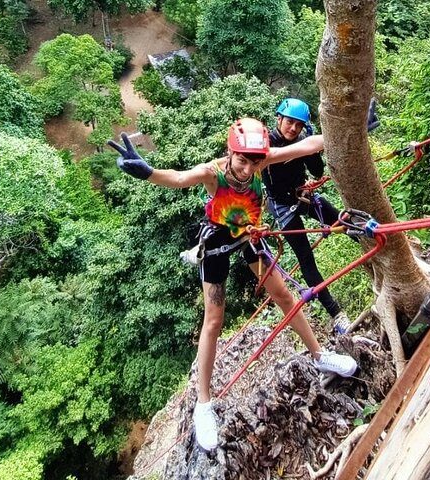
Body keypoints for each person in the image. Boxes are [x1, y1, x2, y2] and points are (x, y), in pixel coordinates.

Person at [108, 118, 358, 452]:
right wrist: (148, 172)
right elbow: (180, 178)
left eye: (254, 161)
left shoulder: (259, 162)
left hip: (248, 239)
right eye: (242, 160)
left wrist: (351, 127)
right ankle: (203, 404)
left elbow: (308, 145)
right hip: (216, 246)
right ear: (231, 152)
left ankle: (318, 355)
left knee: (284, 295)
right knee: (213, 321)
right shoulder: (215, 173)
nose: (248, 168)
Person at [262, 98, 379, 334]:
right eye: (289, 123)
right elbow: (275, 156)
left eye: (298, 125)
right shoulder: (267, 143)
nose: (293, 129)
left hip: (303, 196)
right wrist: (309, 145)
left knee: (343, 222)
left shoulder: (303, 140)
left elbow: (316, 170)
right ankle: (336, 314)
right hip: (283, 208)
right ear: (279, 119)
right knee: (306, 259)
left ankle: (381, 257)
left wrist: (311, 145)